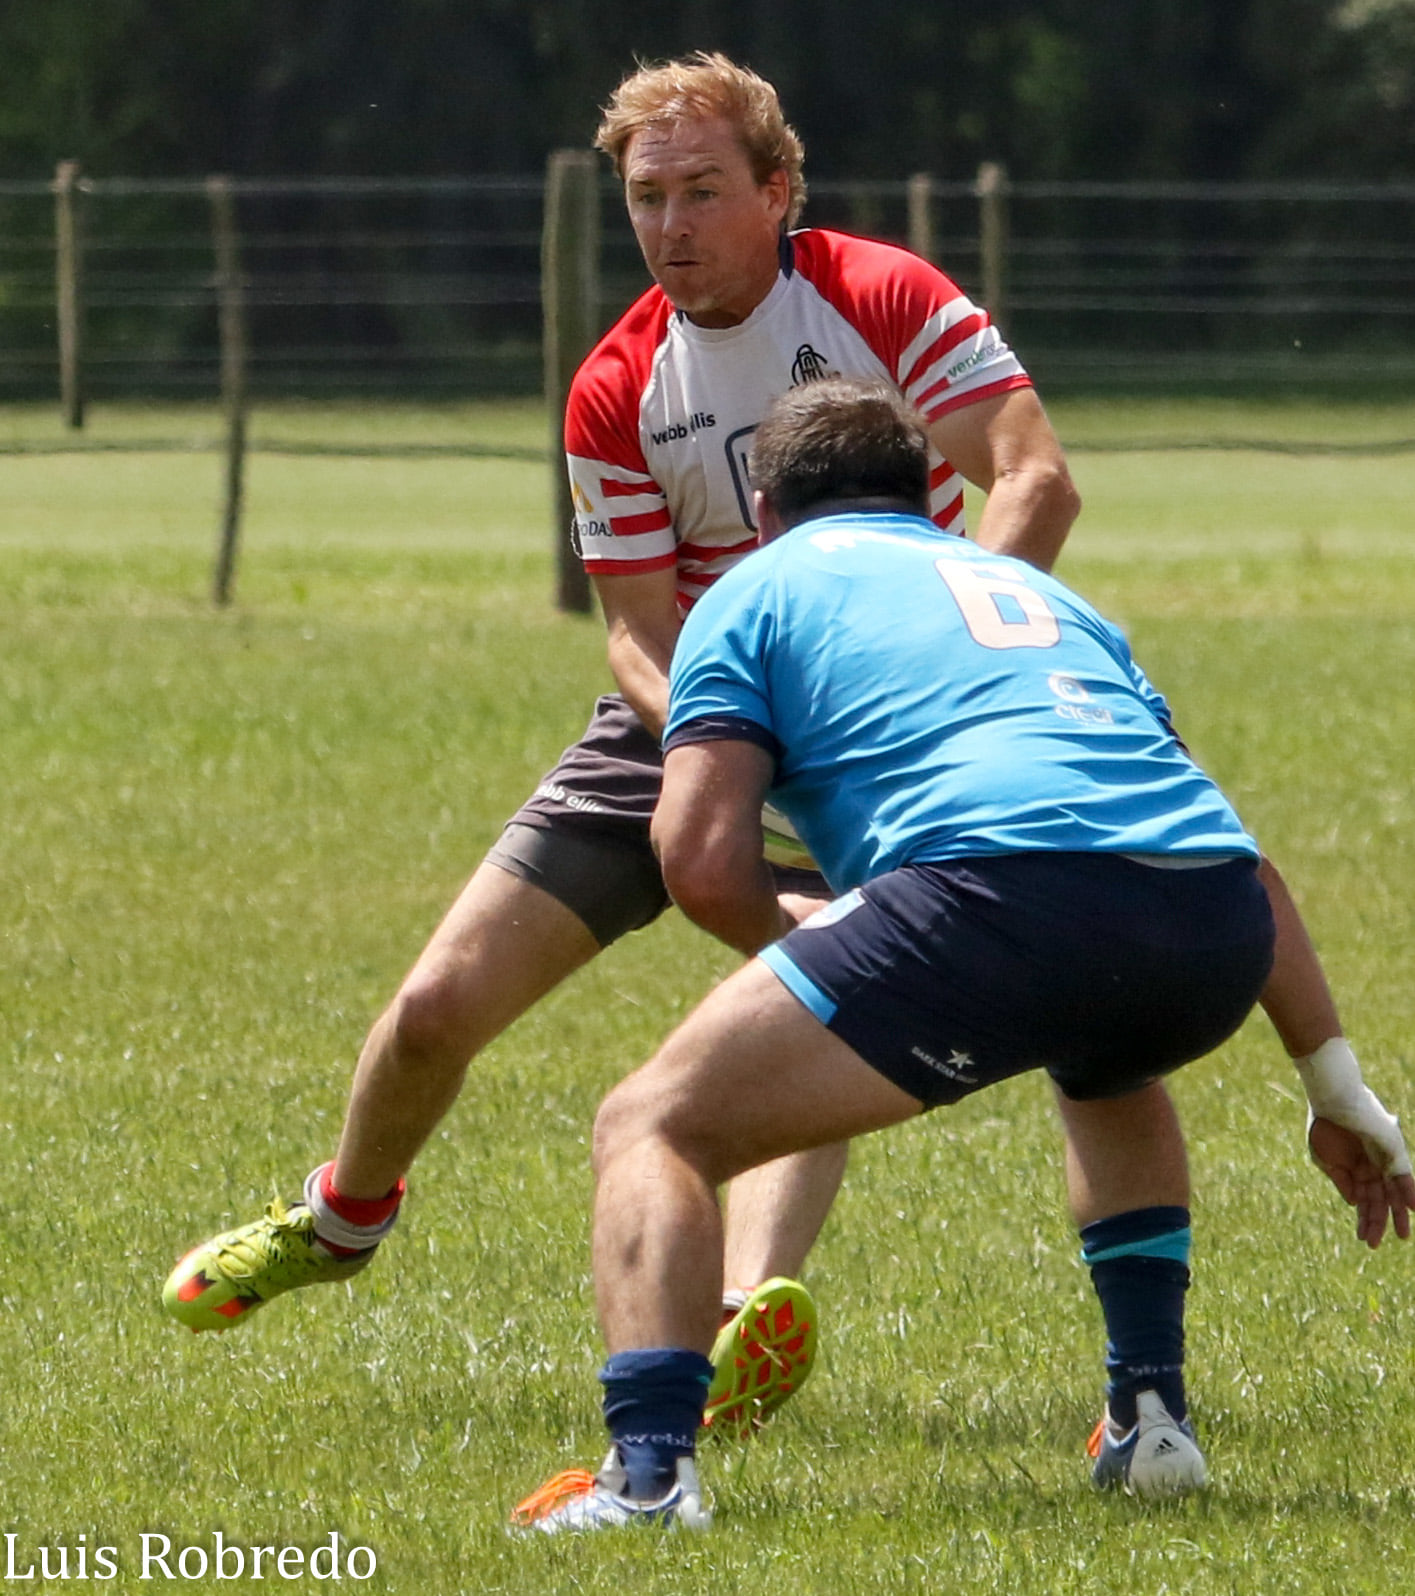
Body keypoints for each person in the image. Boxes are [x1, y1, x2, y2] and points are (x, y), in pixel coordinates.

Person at [161, 52, 1079, 1433]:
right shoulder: (614, 382)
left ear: (777, 189)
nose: (669, 225)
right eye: (645, 198)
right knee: (430, 1011)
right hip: (687, 716)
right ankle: (338, 1221)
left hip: (872, 722)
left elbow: (1033, 478)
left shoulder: (878, 297)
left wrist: (938, 651)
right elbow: (636, 635)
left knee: (814, 990)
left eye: (701, 190)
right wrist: (724, 734)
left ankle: (741, 1317)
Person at [509, 377, 1415, 1532]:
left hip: (995, 899)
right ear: (925, 499)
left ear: (762, 505)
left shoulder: (756, 588)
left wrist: (796, 938)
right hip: (1207, 922)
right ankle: (1149, 1422)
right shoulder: (1048, 601)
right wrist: (1335, 1089)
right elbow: (1220, 847)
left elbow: (691, 854)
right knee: (1108, 1055)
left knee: (650, 1126)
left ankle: (644, 1481)